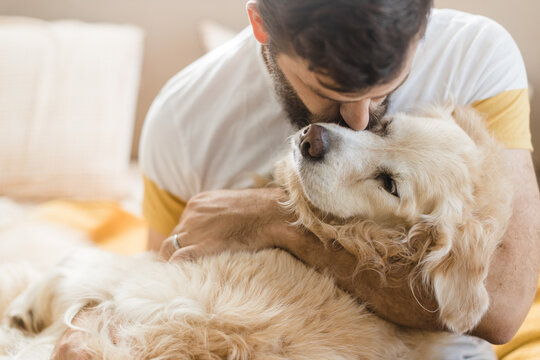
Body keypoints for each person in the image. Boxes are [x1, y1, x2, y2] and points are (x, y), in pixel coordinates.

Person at [52, 0, 540, 359]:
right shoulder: (180, 122)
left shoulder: (477, 56)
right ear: (259, 24)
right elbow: (166, 261)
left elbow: (499, 308)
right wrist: (96, 321)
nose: (353, 122)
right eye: (328, 92)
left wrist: (273, 221)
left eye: (386, 94)